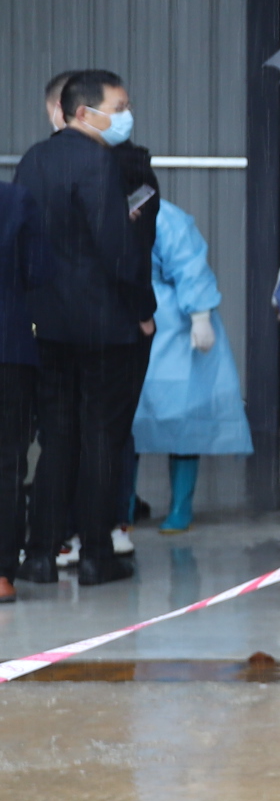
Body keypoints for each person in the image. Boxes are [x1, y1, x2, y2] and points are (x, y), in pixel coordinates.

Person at [18, 71, 153, 587]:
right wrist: (142, 308)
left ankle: (39, 553)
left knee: (56, 439)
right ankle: (97, 553)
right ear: (82, 112)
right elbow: (119, 251)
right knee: (101, 438)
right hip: (103, 326)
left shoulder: (34, 159)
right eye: (118, 107)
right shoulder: (100, 163)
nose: (126, 116)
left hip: (47, 324)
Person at [124, 150, 251, 535]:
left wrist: (200, 316)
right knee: (128, 422)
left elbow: (190, 266)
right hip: (132, 324)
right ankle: (123, 507)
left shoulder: (166, 218)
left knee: (182, 418)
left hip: (175, 329)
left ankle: (179, 507)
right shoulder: (111, 215)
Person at [0, 168, 44, 598]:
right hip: (8, 351)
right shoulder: (16, 201)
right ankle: (1, 574)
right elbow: (39, 272)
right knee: (8, 464)